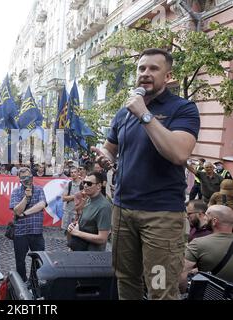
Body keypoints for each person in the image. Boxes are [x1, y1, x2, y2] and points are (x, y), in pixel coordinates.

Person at [93, 48, 200, 300]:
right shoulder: (123, 112)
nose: (145, 73)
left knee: (160, 288)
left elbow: (178, 153)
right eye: (141, 68)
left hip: (161, 217)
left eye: (153, 69)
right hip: (122, 212)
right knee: (126, 280)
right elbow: (111, 151)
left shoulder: (183, 109)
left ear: (168, 75)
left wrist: (144, 114)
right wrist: (104, 157)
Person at [179, 205, 233, 292]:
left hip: (209, 294)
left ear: (214, 221)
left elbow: (182, 274)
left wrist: (184, 291)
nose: (204, 218)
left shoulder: (198, 243)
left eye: (207, 216)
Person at [9, 167, 47, 282]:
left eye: (29, 177)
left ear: (32, 177)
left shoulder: (40, 190)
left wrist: (25, 213)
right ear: (19, 179)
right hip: (20, 232)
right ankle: (22, 282)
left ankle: (34, 281)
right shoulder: (16, 192)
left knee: (39, 259)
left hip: (36, 232)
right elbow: (16, 211)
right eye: (24, 178)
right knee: (20, 260)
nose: (27, 180)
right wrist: (26, 197)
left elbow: (41, 205)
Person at [67, 172, 112, 251]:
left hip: (91, 256)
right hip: (79, 249)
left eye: (89, 183)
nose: (85, 185)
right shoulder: (88, 199)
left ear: (98, 186)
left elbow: (102, 238)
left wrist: (77, 232)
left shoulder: (104, 207)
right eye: (84, 182)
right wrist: (74, 225)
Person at [61, 167, 82, 233]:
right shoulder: (69, 184)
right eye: (71, 172)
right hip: (68, 212)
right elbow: (64, 198)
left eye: (75, 172)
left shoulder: (83, 184)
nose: (73, 174)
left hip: (78, 213)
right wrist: (76, 196)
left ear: (78, 173)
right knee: (67, 232)